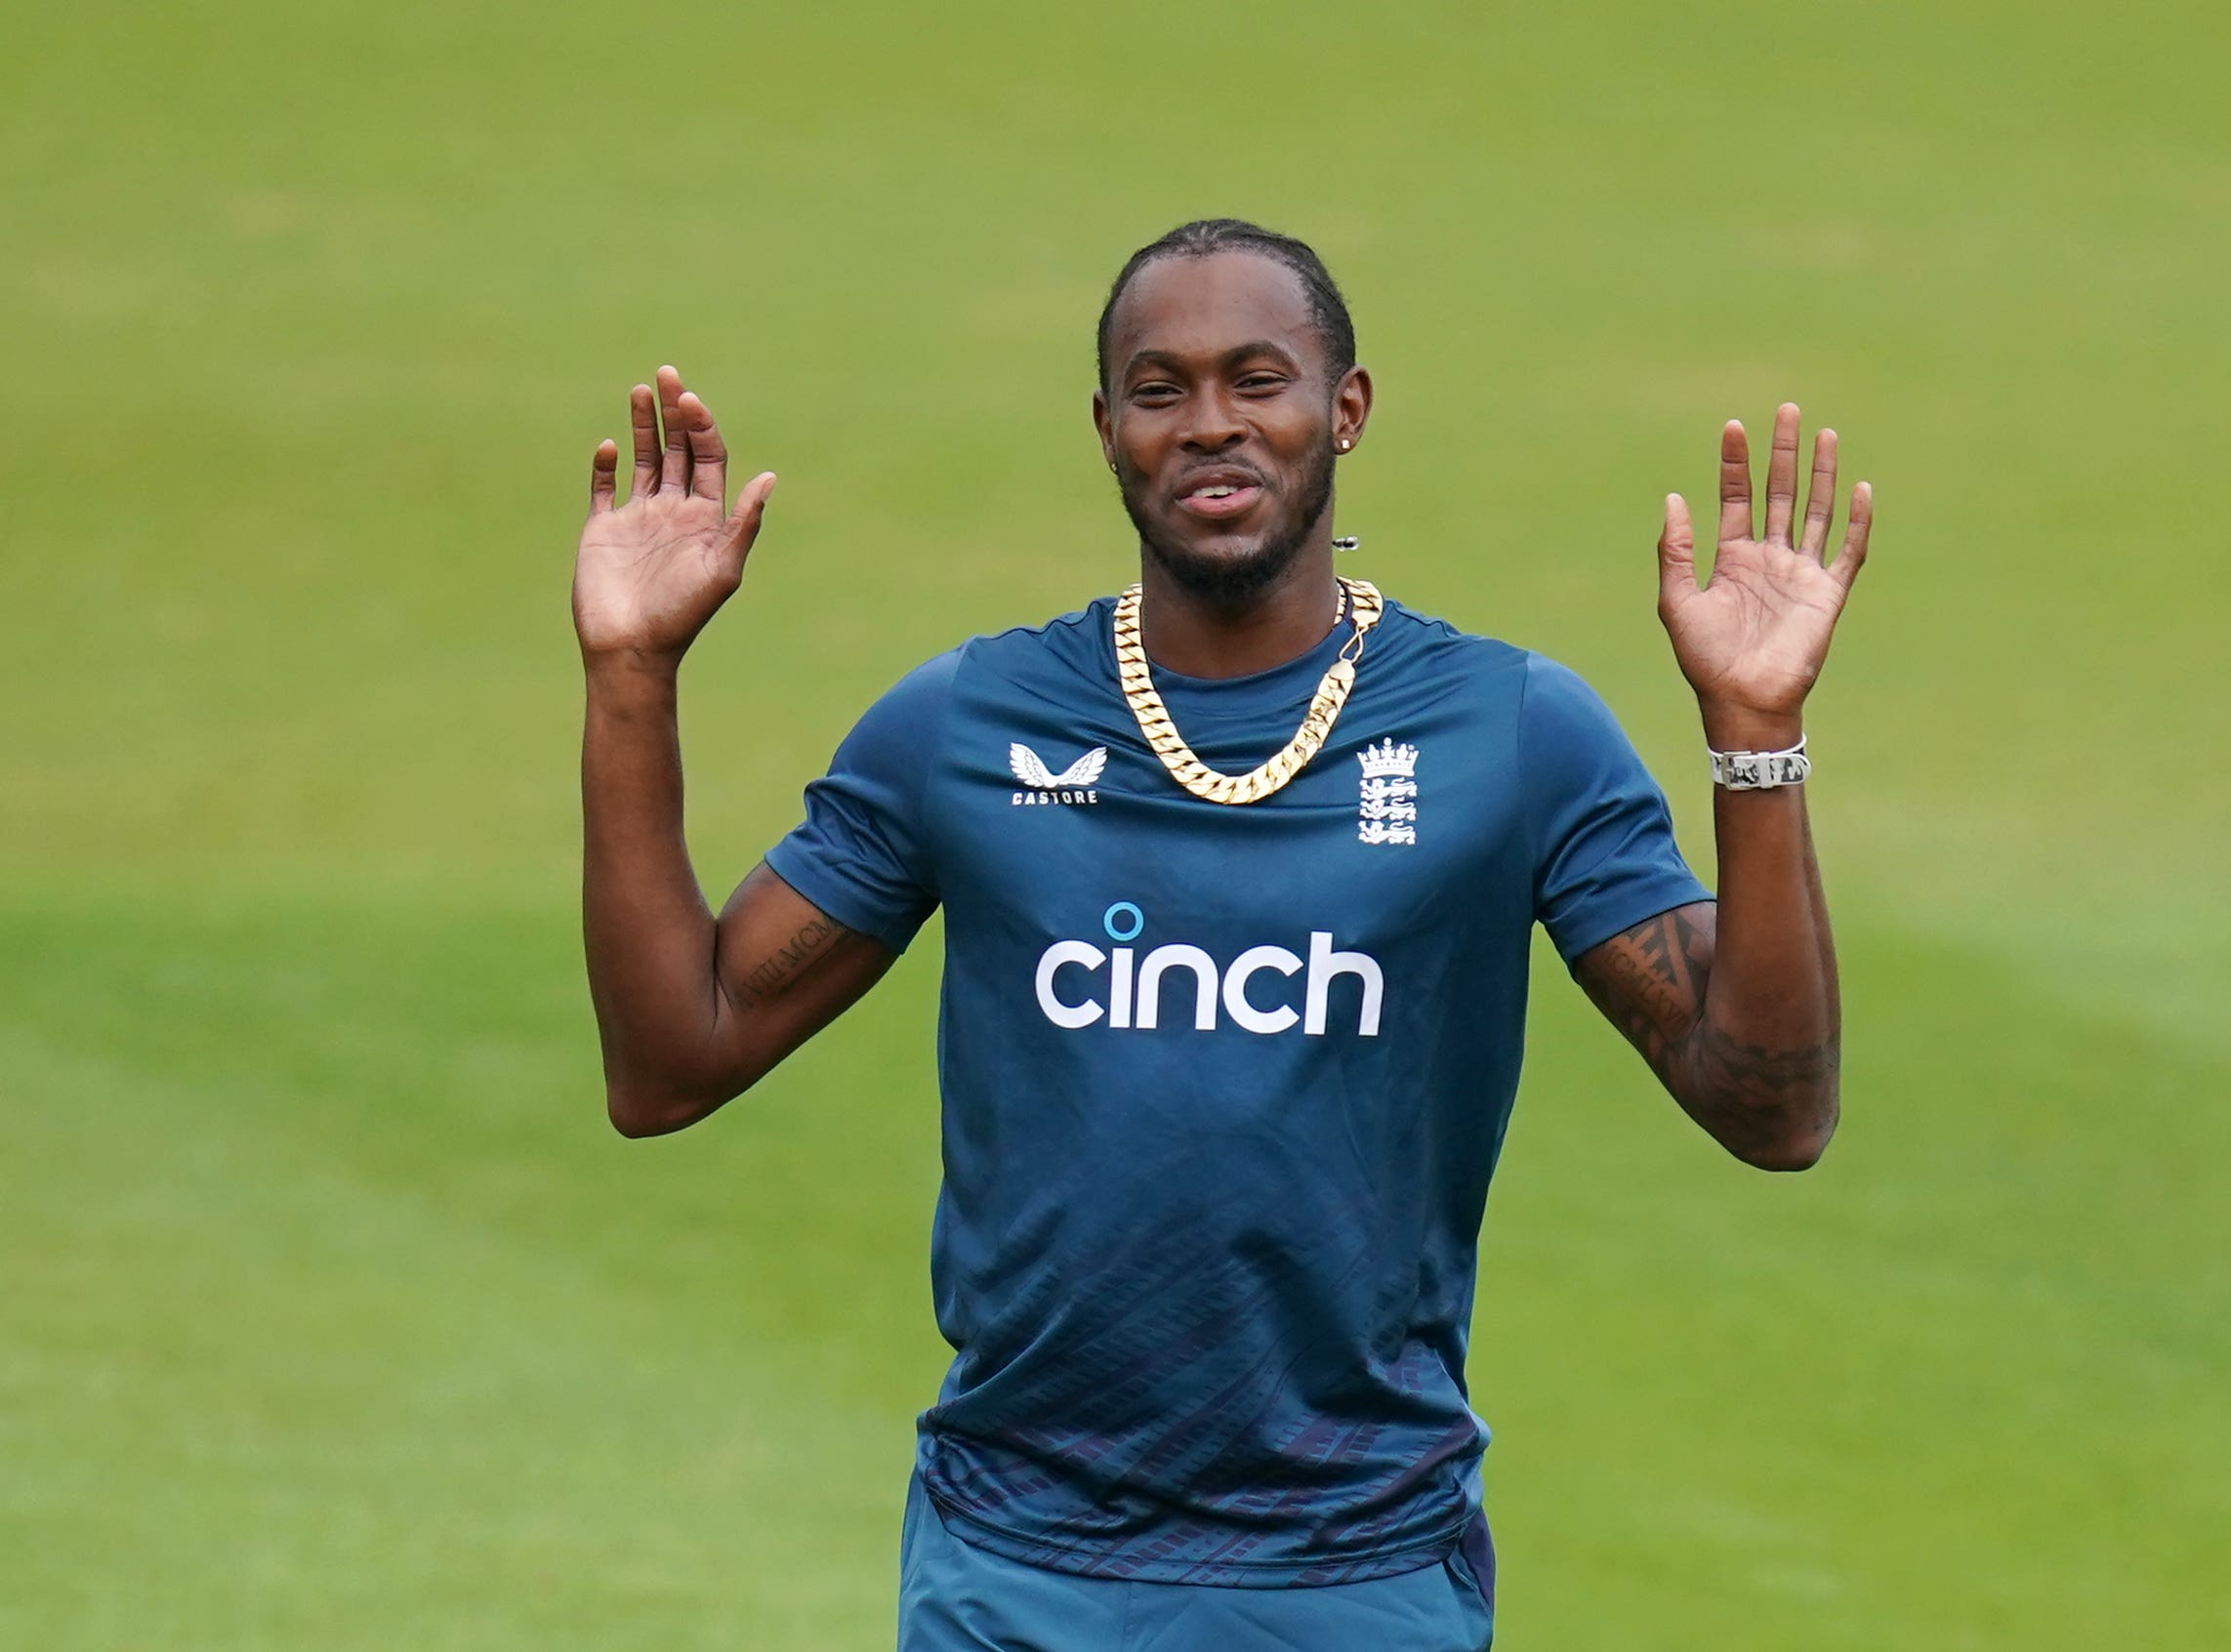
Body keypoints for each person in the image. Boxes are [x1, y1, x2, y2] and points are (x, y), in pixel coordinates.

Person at [571, 219, 1871, 1651]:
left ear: (1346, 410)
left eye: (1259, 379)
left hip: (1357, 1568)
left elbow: (1771, 1109)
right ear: (1105, 428)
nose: (1210, 425)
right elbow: (671, 1062)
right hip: (1019, 1567)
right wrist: (632, 671)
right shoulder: (966, 728)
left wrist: (1755, 734)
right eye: (1159, 388)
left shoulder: (1506, 735)